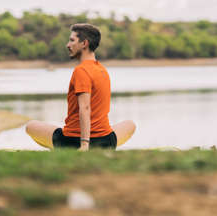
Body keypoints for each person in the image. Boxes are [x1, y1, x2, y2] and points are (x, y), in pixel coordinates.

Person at [26, 23, 136, 151]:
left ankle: (66, 150)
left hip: (73, 141)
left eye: (72, 40)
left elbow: (85, 108)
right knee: (130, 124)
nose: (68, 45)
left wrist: (84, 144)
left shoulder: (81, 71)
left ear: (84, 44)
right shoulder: (102, 70)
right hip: (106, 140)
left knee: (30, 126)